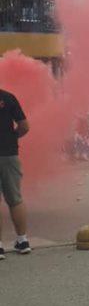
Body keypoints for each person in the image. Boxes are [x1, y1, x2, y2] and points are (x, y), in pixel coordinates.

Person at [0, 88, 31, 259]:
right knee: (15, 200)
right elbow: (24, 126)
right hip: (9, 154)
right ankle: (23, 240)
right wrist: (11, 139)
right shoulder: (8, 97)